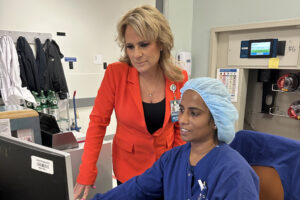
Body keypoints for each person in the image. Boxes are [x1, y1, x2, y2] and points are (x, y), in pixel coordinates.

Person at [74, 5, 188, 199]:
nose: (136, 54)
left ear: (161, 43)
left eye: (144, 44)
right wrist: (87, 170)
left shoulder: (178, 78)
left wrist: (177, 165)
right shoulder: (116, 74)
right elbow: (98, 123)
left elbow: (179, 127)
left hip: (165, 169)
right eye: (130, 46)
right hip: (129, 171)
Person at [90, 77, 260, 200]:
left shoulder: (235, 173)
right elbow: (138, 189)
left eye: (194, 113)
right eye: (182, 109)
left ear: (216, 120)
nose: (182, 119)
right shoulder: (172, 159)